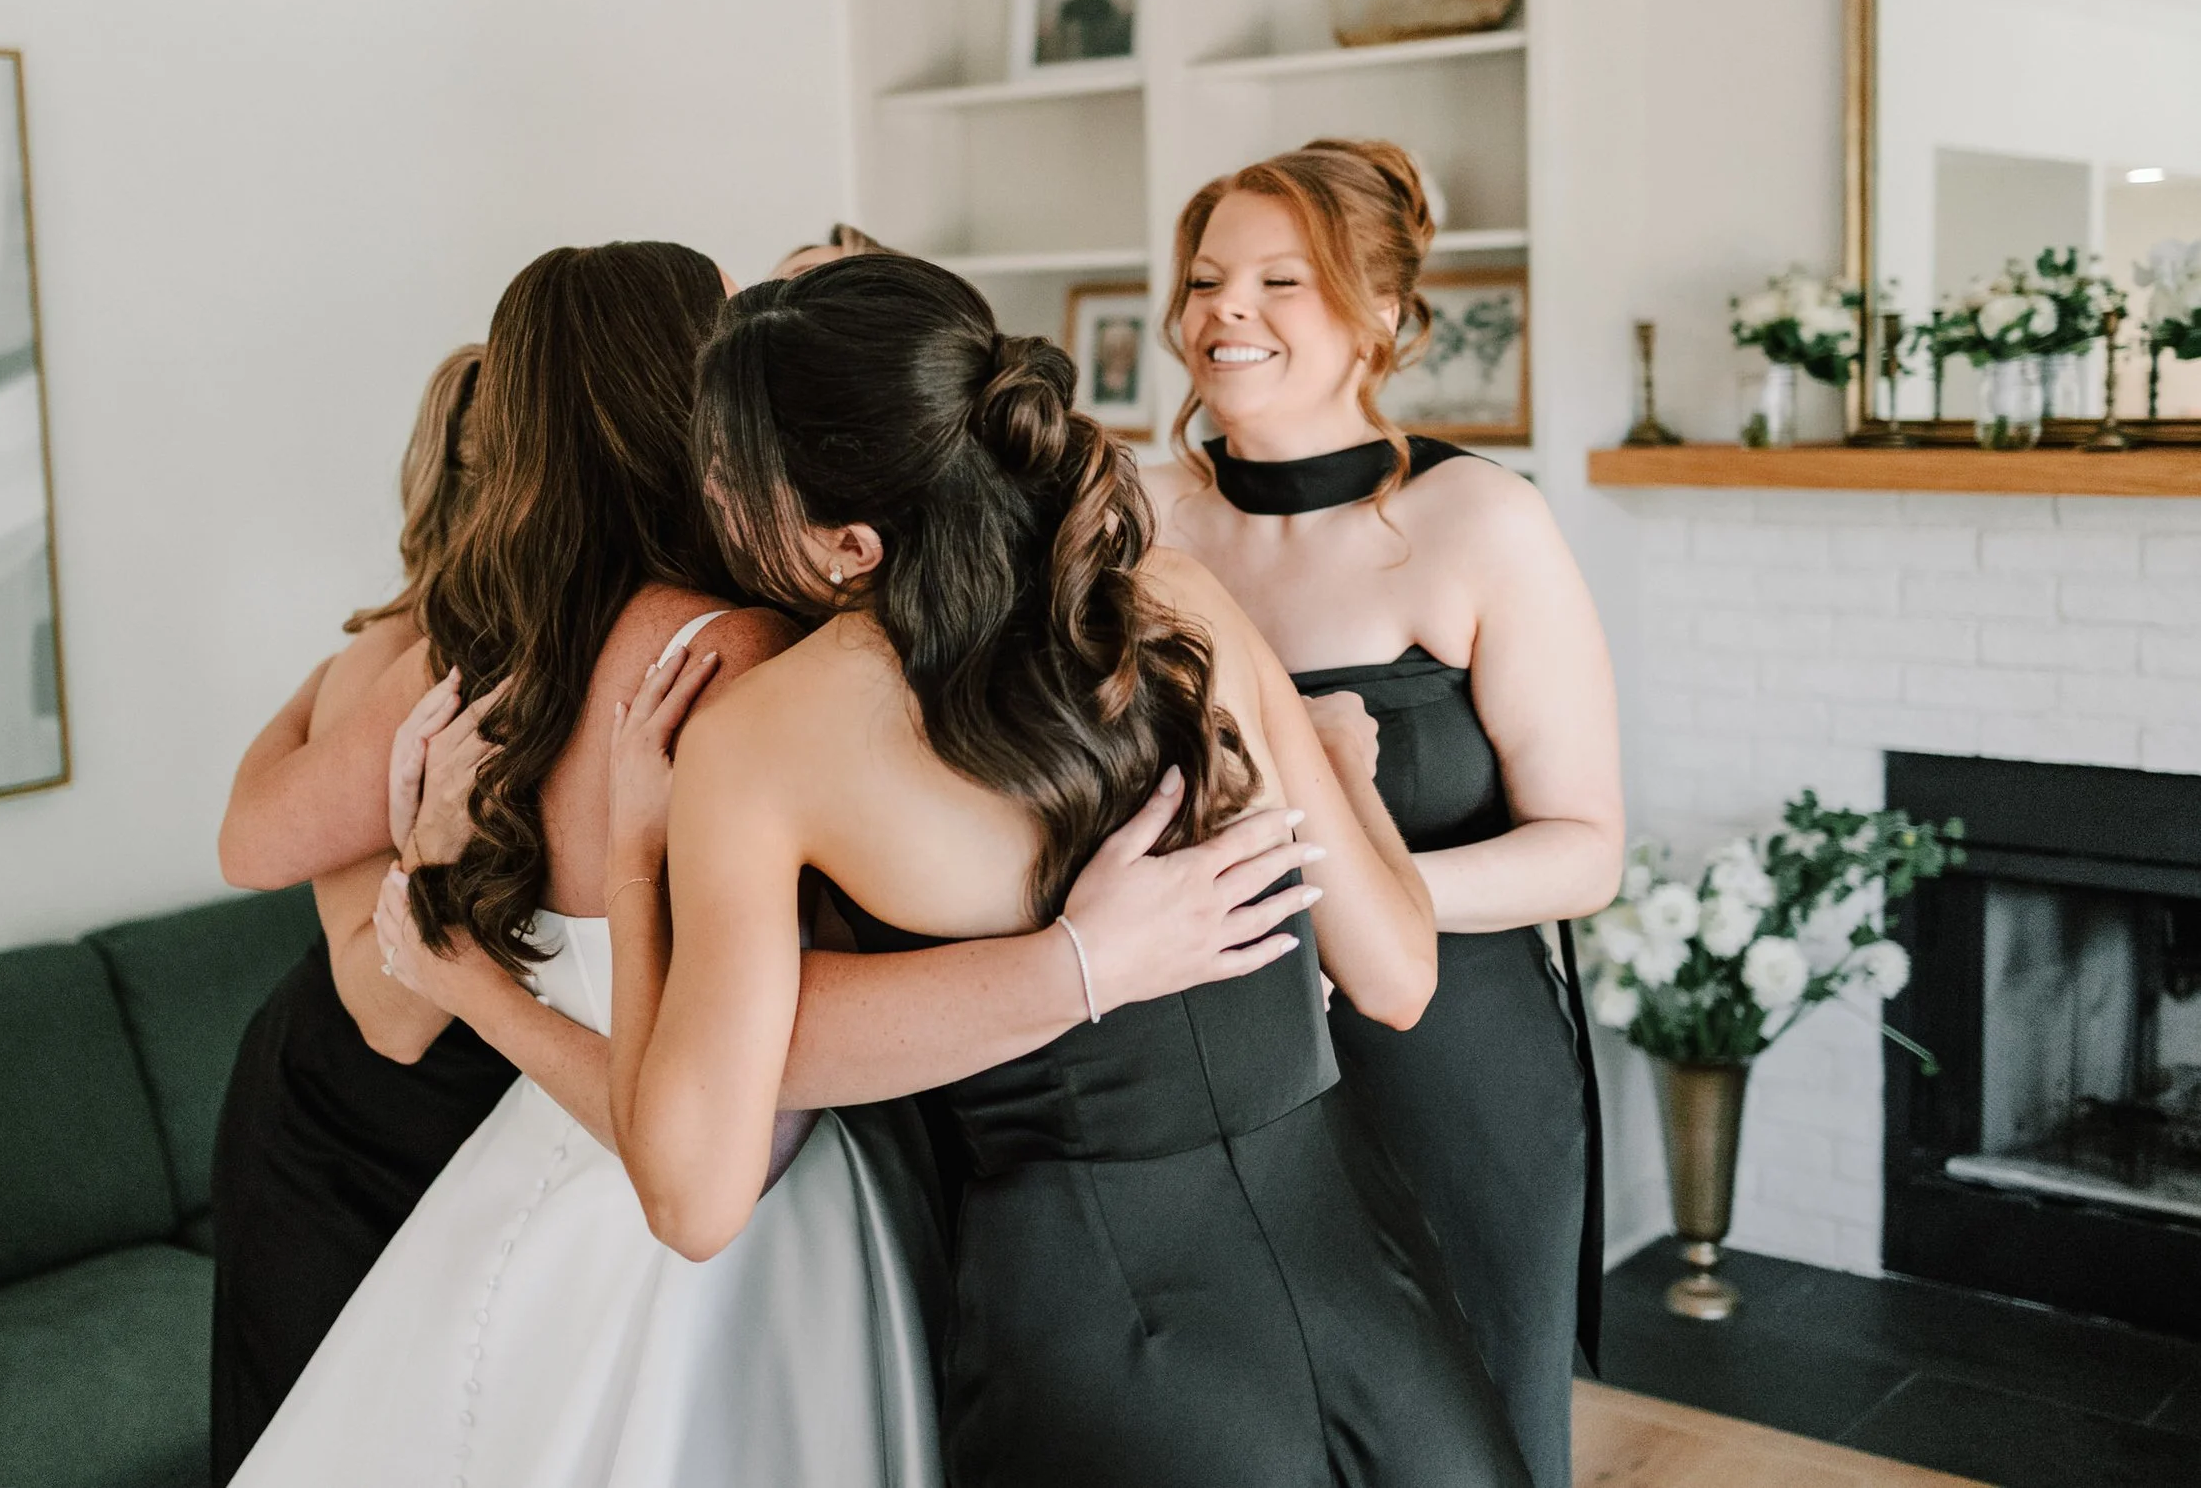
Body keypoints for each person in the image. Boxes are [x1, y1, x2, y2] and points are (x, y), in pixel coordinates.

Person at [601, 254, 1532, 1488]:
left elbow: (692, 1197)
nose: (713, 501)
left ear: (844, 538)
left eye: (726, 477)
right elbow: (1398, 972)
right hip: (1369, 1296)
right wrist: (1332, 762)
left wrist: (631, 849)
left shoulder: (756, 741)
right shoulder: (1175, 601)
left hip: (1101, 1349)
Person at [1145, 139, 1624, 1488]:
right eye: (1205, 279)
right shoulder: (1138, 516)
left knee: (1465, 1438)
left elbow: (1587, 846)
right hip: (1212, 1061)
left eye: (1279, 279)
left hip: (1450, 1068)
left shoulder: (1480, 520)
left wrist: (1367, 879)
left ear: (1384, 318)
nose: (1223, 310)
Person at [205, 343, 522, 1482]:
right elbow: (386, 1010)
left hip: (488, 1129)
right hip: (347, 1128)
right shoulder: (408, 668)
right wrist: (437, 847)